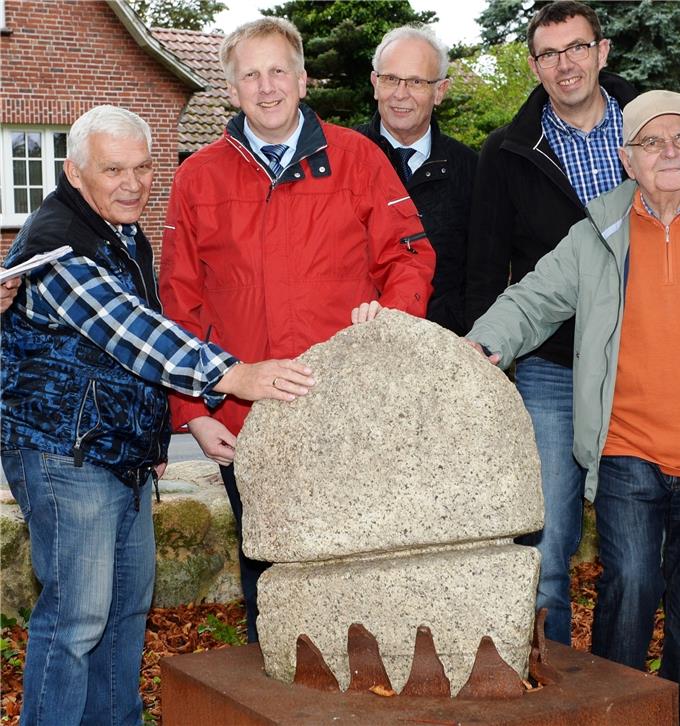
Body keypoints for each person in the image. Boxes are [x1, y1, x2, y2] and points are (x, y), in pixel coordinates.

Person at [466, 90, 680, 726]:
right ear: (627, 158)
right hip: (627, 452)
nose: (669, 152)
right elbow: (534, 298)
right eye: (652, 141)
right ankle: (614, 717)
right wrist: (482, 344)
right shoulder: (598, 232)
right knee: (629, 595)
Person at [0, 105, 315, 726]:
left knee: (124, 615)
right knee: (76, 620)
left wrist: (162, 433)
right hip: (67, 454)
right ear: (74, 173)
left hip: (119, 454)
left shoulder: (119, 231)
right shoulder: (58, 247)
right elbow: (135, 334)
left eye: (143, 168)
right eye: (113, 169)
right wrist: (234, 374)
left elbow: (129, 356)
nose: (133, 184)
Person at [159, 17, 436, 643]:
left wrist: (390, 319)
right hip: (245, 418)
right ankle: (275, 682)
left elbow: (410, 256)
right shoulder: (198, 176)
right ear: (231, 89)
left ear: (303, 79)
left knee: (358, 565)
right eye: (250, 75)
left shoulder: (358, 158)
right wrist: (193, 411)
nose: (267, 87)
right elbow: (179, 302)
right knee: (269, 574)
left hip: (348, 408)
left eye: (278, 71)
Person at [465, 0, 637, 645]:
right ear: (535, 66)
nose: (565, 64)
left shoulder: (649, 130)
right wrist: (488, 364)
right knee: (546, 545)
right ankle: (554, 678)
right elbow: (486, 268)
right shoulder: (508, 152)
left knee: (636, 551)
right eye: (549, 53)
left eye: (577, 48)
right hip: (552, 369)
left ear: (602, 52)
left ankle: (616, 681)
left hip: (642, 365)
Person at [356, 24, 477, 335]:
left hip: (445, 346)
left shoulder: (471, 169)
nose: (400, 94)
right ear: (375, 83)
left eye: (416, 82)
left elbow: (482, 273)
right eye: (390, 79)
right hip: (355, 342)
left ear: (440, 91)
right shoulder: (344, 160)